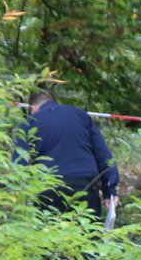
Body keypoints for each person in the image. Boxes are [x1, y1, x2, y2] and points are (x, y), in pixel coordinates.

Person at [17, 90, 118, 224]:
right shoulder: (80, 114)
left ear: (32, 108)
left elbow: (19, 162)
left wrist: (20, 193)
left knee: (49, 238)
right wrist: (109, 190)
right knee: (87, 240)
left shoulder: (30, 122)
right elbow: (102, 153)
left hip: (49, 188)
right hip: (85, 185)